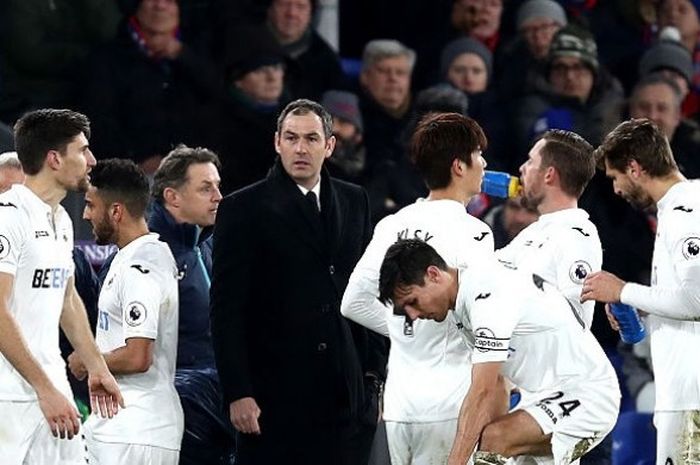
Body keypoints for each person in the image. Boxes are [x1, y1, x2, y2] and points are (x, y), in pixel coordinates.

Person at [210, 99, 388, 465]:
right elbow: (226, 309)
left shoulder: (355, 201)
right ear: (277, 142)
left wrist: (373, 376)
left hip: (346, 399)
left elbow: (370, 291)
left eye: (310, 138)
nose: (300, 148)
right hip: (272, 399)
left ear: (330, 145)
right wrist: (238, 392)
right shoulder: (242, 208)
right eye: (291, 138)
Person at [378, 239, 620, 465]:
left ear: (433, 274)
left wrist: (459, 460)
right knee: (491, 442)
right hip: (545, 398)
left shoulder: (485, 294)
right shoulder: (465, 301)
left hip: (589, 394)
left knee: (497, 438)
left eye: (412, 302)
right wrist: (482, 448)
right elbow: (495, 385)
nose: (413, 315)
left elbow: (481, 391)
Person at [341, 112, 494, 465]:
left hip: (400, 406)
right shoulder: (475, 233)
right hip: (450, 407)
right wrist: (433, 324)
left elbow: (353, 302)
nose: (484, 164)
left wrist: (404, 326)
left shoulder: (394, 224)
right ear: (459, 166)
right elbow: (482, 314)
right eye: (478, 155)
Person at [0, 109, 123, 465]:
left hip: (53, 389)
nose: (91, 160)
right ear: (54, 158)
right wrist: (43, 388)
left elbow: (67, 299)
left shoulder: (62, 219)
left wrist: (97, 366)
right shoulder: (8, 218)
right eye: (82, 150)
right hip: (10, 398)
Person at [581, 118, 700, 465]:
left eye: (615, 177)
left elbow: (696, 300)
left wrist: (622, 291)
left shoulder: (685, 212)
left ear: (634, 168)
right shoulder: (687, 204)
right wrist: (645, 303)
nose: (616, 190)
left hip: (691, 398)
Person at [69, 158, 182, 464]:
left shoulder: (139, 267)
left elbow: (138, 356)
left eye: (91, 205)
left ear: (116, 211)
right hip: (122, 427)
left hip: (135, 430)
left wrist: (88, 361)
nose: (85, 214)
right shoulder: (133, 256)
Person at [150, 145, 235, 465]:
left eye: (217, 186)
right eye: (205, 188)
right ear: (173, 196)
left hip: (220, 411)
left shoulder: (210, 248)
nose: (218, 196)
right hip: (177, 418)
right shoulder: (145, 258)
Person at [497, 129, 601, 328]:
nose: (522, 168)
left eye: (530, 162)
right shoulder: (532, 232)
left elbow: (576, 323)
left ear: (549, 175)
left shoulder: (577, 237)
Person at [628, 73, 700, 179]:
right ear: (631, 112)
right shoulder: (608, 163)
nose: (652, 116)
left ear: (677, 116)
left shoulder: (696, 161)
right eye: (644, 107)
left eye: (662, 108)